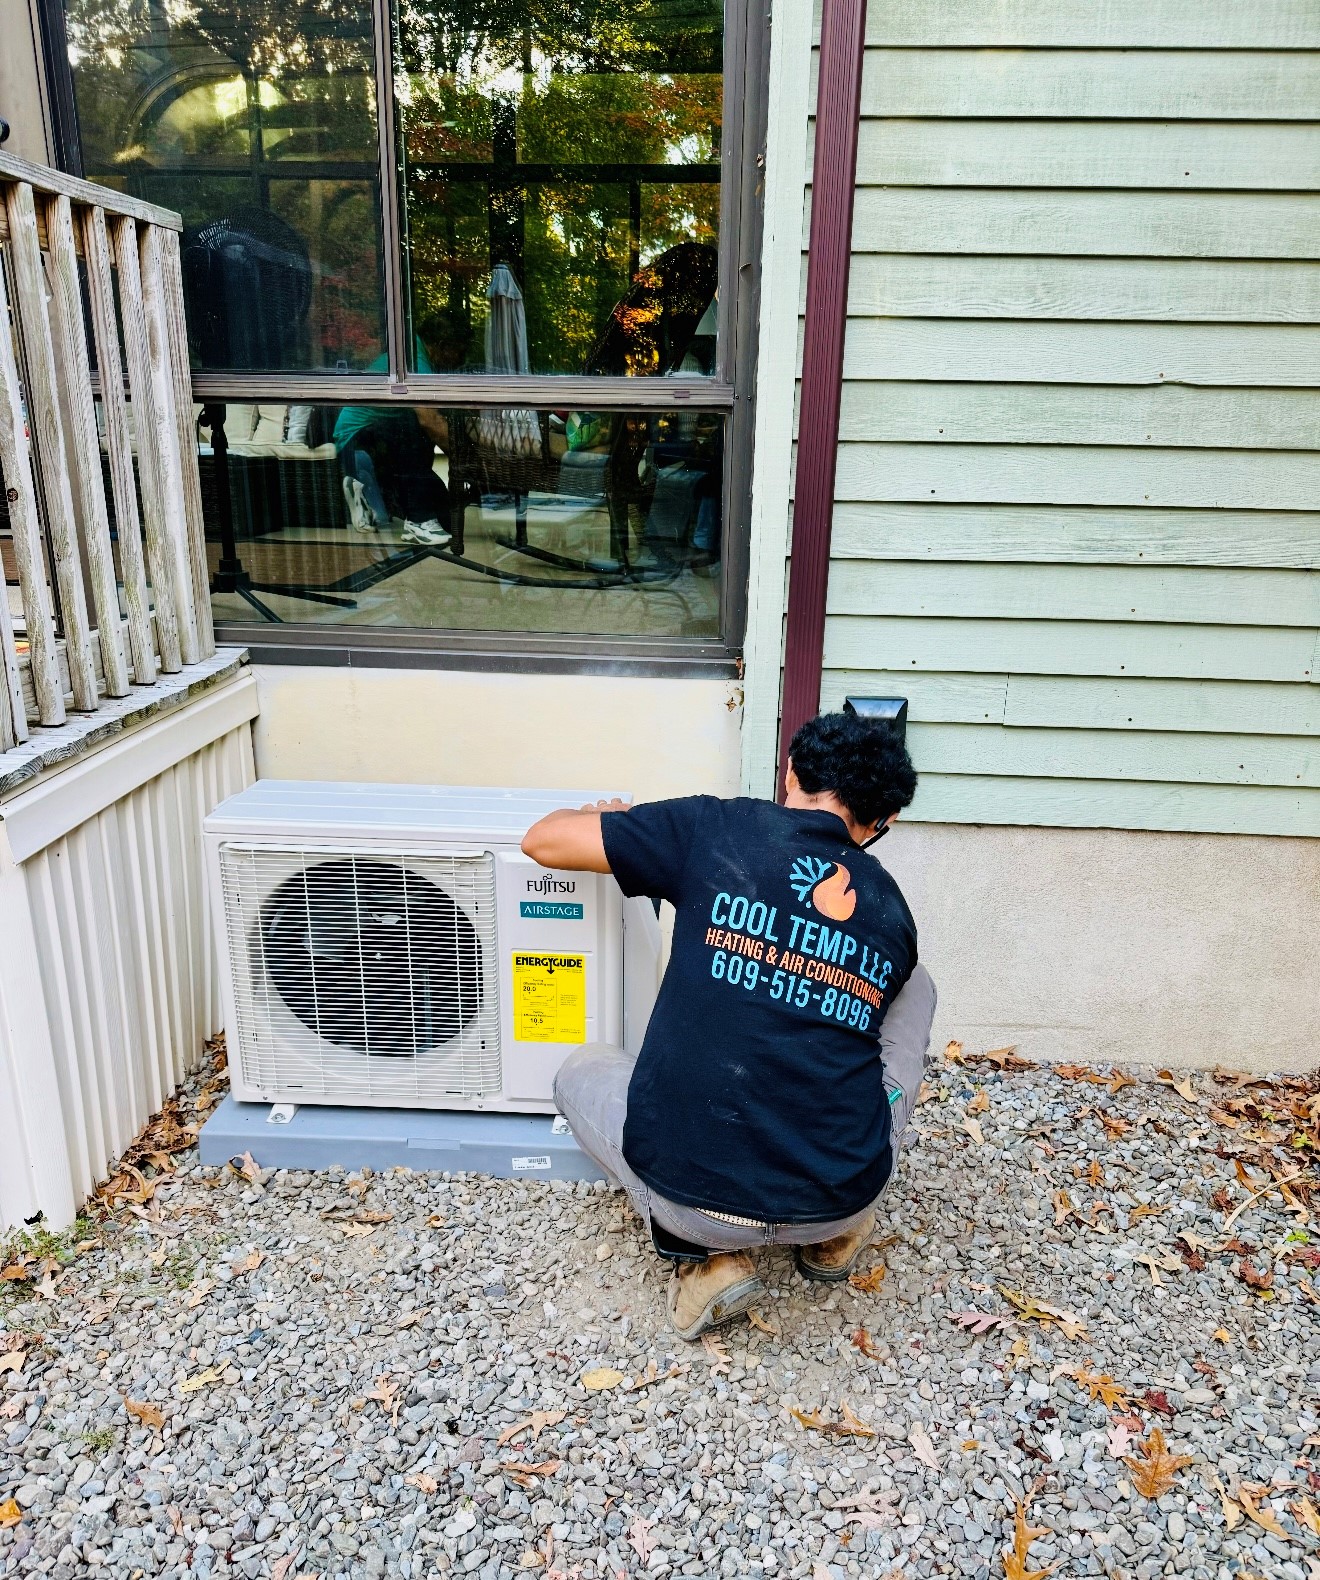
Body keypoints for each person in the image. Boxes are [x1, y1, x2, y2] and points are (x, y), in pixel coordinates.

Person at [520, 711, 936, 1339]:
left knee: (579, 1071)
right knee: (916, 984)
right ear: (883, 823)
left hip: (695, 1207)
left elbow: (542, 840)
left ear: (790, 772)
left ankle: (707, 1261)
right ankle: (837, 1234)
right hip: (836, 1197)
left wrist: (601, 819)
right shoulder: (892, 908)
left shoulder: (714, 828)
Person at [335, 346, 452, 548]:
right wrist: (460, 455)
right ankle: (419, 519)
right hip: (355, 440)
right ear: (442, 344)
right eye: (457, 352)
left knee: (446, 517)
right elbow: (429, 420)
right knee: (412, 426)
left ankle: (410, 518)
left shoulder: (411, 349)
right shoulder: (416, 360)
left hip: (372, 436)